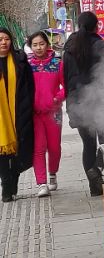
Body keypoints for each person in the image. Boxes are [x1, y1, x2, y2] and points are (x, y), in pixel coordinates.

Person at [63, 12, 104, 195]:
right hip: (102, 102)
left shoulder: (69, 49)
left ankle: (94, 187)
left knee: (88, 145)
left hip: (79, 104)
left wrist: (70, 106)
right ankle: (102, 174)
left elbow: (66, 80)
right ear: (97, 26)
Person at [0, 27, 34, 203]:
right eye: (0, 40)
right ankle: (6, 187)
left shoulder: (20, 60)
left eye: (6, 39)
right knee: (2, 154)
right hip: (1, 118)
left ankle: (13, 182)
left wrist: (29, 106)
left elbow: (30, 85)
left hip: (19, 112)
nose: (3, 43)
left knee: (18, 152)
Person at [29, 31, 65, 197]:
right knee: (38, 148)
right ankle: (42, 183)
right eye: (35, 45)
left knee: (54, 147)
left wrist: (56, 99)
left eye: (41, 44)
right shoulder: (27, 65)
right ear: (30, 47)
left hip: (54, 113)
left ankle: (53, 174)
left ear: (47, 44)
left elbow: (66, 86)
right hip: (34, 114)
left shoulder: (57, 63)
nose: (38, 48)